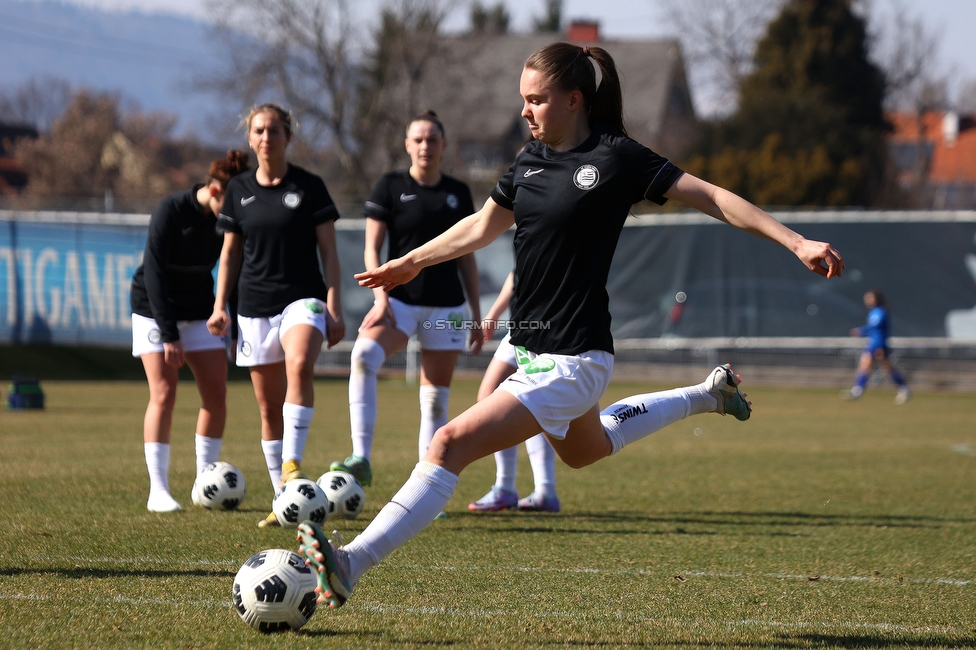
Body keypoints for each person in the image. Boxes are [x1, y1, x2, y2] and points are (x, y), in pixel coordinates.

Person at [295, 43, 844, 609]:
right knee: (585, 450)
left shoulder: (617, 157)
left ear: (575, 100)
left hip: (575, 357)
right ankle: (707, 395)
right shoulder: (529, 160)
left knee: (447, 442)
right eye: (523, 100)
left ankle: (350, 564)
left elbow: (712, 198)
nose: (526, 111)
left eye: (537, 100)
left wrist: (796, 240)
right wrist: (414, 260)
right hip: (537, 351)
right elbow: (481, 226)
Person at [207, 103, 346, 527]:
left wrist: (334, 306)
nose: (267, 137)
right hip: (253, 307)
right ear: (250, 138)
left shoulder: (310, 186)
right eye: (259, 131)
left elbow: (329, 252)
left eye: (274, 130)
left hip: (302, 299)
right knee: (269, 410)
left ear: (288, 136)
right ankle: (282, 499)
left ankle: (292, 465)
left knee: (300, 363)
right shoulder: (238, 190)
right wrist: (219, 307)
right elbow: (229, 254)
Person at [329, 110, 481, 488]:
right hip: (397, 303)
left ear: (443, 146)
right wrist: (381, 300)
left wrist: (477, 314)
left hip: (448, 307)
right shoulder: (389, 185)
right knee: (363, 356)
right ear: (407, 145)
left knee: (433, 400)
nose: (425, 145)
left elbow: (468, 255)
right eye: (418, 139)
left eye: (432, 139)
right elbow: (371, 250)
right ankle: (361, 458)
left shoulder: (458, 192)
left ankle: (425, 484)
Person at [130, 149, 250, 512]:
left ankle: (204, 482)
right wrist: (169, 334)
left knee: (216, 391)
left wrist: (234, 325)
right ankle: (159, 490)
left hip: (201, 310)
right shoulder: (172, 209)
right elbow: (153, 272)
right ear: (214, 190)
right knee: (164, 393)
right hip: (154, 309)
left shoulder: (229, 224)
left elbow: (236, 273)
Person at [468, 271, 561, 512]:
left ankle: (543, 490)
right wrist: (493, 315)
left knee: (533, 401)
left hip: (547, 325)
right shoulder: (528, 234)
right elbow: (518, 271)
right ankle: (508, 488)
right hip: (521, 325)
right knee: (489, 396)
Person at [842, 289, 910, 404]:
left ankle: (903, 388)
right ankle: (858, 389)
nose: (867, 300)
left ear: (877, 299)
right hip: (874, 342)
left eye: (870, 298)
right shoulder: (874, 311)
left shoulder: (880, 311)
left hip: (879, 343)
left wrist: (860, 331)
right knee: (867, 364)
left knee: (885, 366)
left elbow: (873, 327)